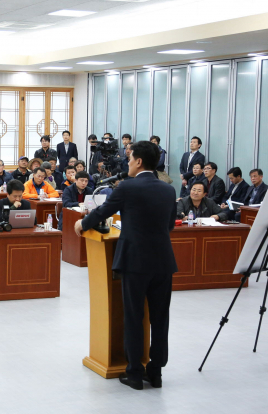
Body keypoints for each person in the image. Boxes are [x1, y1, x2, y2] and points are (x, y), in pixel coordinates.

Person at [75, 141, 177, 390]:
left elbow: (102, 212)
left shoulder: (127, 187)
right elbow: (169, 225)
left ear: (139, 161)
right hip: (163, 261)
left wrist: (82, 224)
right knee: (160, 318)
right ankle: (156, 372)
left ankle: (134, 373)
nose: (128, 163)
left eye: (130, 159)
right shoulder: (168, 190)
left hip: (135, 262)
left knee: (134, 316)